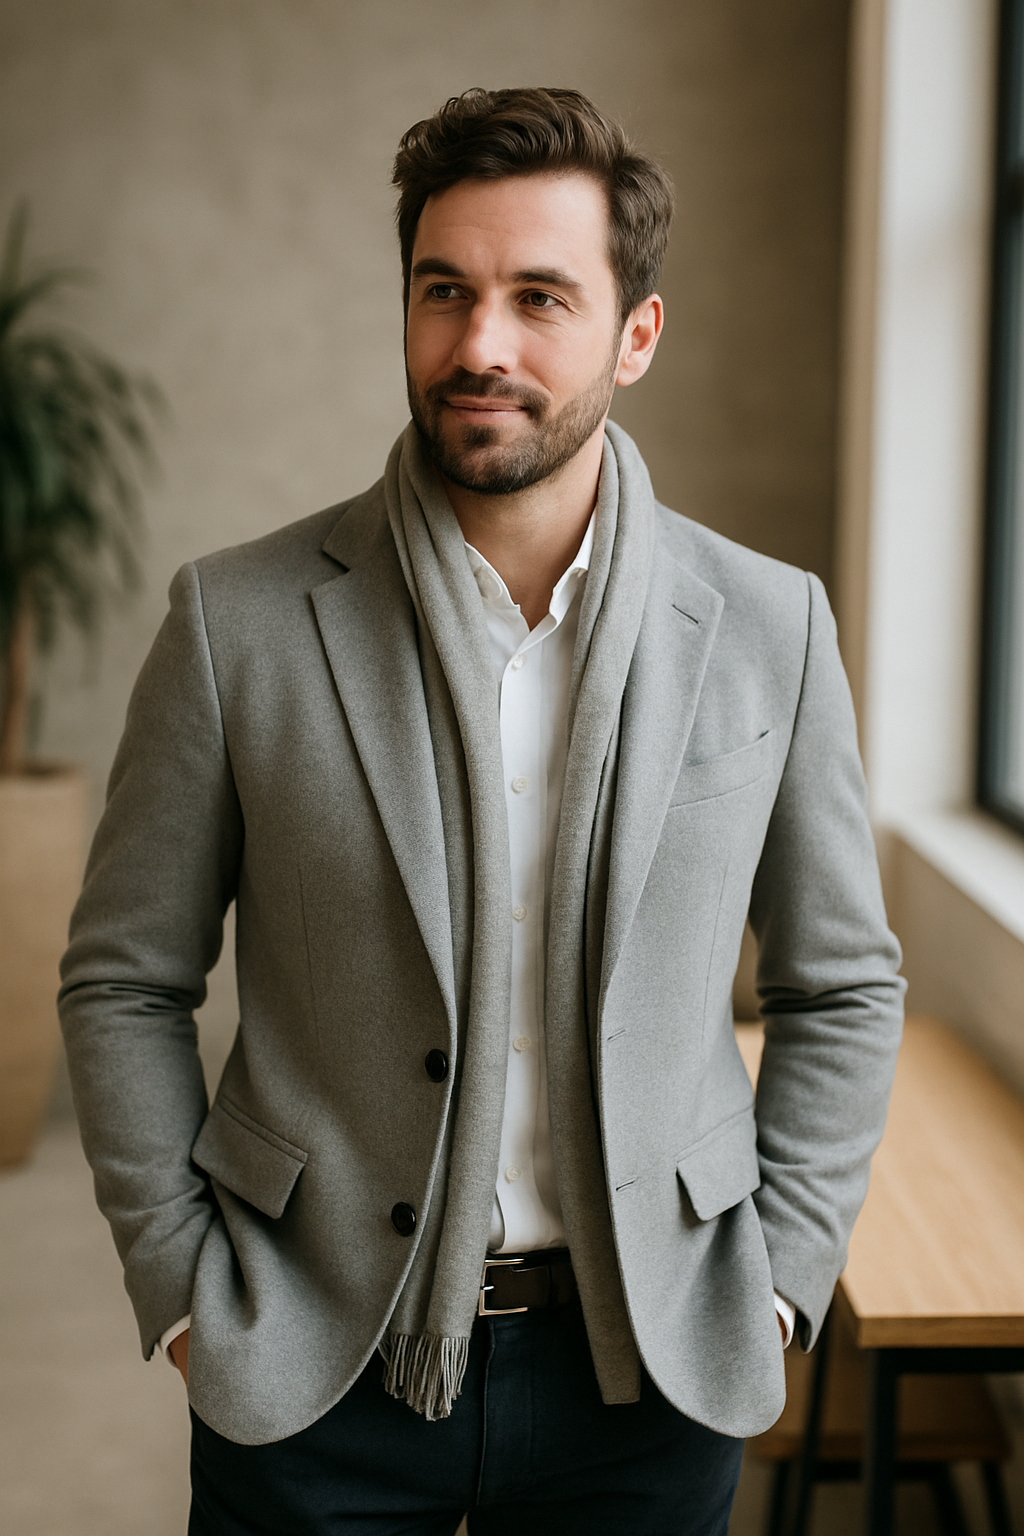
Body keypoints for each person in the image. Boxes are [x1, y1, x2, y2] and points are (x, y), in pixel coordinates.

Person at [58, 87, 905, 1535]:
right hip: (311, 1352)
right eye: (443, 291)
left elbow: (842, 984)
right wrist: (187, 1290)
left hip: (648, 1359)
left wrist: (773, 1285)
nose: (480, 346)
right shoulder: (238, 623)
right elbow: (125, 979)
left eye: (540, 297)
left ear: (636, 335)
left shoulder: (771, 628)